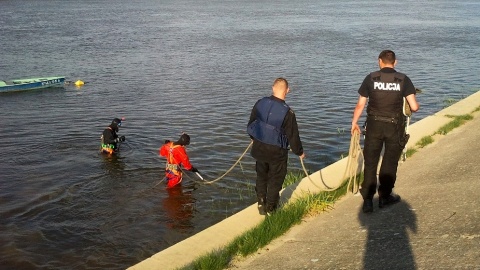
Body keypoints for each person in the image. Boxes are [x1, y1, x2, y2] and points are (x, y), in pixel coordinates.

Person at [351, 50, 419, 213]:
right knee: (389, 162)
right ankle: (384, 197)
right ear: (395, 62)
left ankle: (367, 200)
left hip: (374, 126)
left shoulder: (371, 78)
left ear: (379, 61)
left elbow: (361, 104)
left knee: (370, 162)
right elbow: (414, 106)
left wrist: (354, 123)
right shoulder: (403, 79)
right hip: (394, 127)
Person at [247, 77, 305, 215]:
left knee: (261, 176)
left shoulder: (260, 103)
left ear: (273, 88)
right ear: (287, 90)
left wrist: (254, 139)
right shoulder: (288, 112)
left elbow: (251, 125)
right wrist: (300, 152)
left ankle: (261, 202)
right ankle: (271, 208)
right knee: (275, 179)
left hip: (259, 148)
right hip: (276, 152)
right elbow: (293, 136)